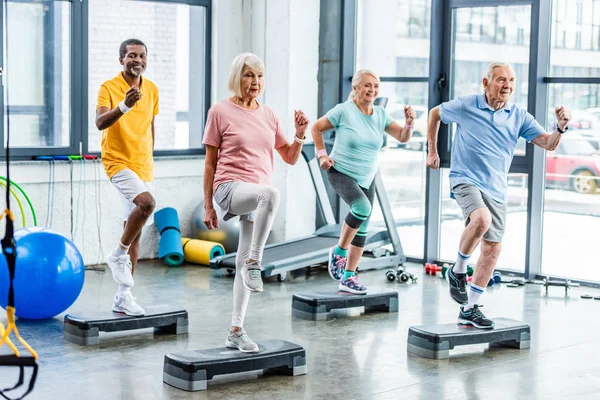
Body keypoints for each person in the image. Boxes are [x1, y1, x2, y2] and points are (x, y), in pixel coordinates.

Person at [427, 61, 571, 329]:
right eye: (501, 79)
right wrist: (432, 151)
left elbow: (548, 144)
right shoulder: (466, 105)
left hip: (496, 188)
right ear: (486, 83)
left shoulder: (519, 116)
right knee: (481, 221)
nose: (507, 85)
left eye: (512, 81)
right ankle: (457, 270)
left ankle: (469, 309)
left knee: (492, 250)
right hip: (465, 178)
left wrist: (560, 128)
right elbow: (435, 114)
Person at [203, 52, 309, 353]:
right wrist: (209, 204)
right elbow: (210, 163)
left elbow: (288, 157)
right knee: (272, 194)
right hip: (228, 187)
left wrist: (300, 135)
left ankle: (235, 330)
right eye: (250, 75)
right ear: (238, 77)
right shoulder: (220, 112)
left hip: (256, 194)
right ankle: (255, 262)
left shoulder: (269, 114)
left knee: (240, 261)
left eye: (260, 76)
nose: (256, 82)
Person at [311, 69, 415, 295]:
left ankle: (348, 277)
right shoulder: (343, 111)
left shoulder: (380, 114)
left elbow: (403, 137)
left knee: (363, 228)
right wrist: (322, 155)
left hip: (367, 178)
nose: (372, 90)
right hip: (340, 171)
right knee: (362, 208)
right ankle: (338, 252)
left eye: (375, 86)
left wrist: (409, 123)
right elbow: (316, 128)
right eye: (367, 85)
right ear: (355, 88)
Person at [96, 38, 159, 317]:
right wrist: (123, 106)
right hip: (117, 162)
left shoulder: (153, 90)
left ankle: (123, 298)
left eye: (142, 55)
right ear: (121, 59)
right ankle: (117, 254)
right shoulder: (108, 88)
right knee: (146, 204)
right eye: (132, 55)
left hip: (143, 165)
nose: (138, 60)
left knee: (135, 230)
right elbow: (99, 123)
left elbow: (150, 128)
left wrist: (150, 160)